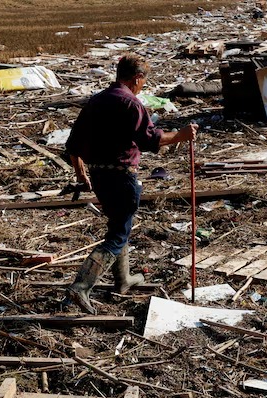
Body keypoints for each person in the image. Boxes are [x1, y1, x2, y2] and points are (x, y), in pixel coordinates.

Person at [64, 52, 197, 313]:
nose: (143, 86)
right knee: (117, 235)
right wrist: (180, 136)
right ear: (137, 78)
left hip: (100, 175)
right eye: (143, 81)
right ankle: (80, 287)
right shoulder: (131, 104)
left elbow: (73, 145)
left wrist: (82, 175)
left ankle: (123, 280)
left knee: (118, 225)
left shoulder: (96, 101)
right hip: (121, 176)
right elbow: (150, 140)